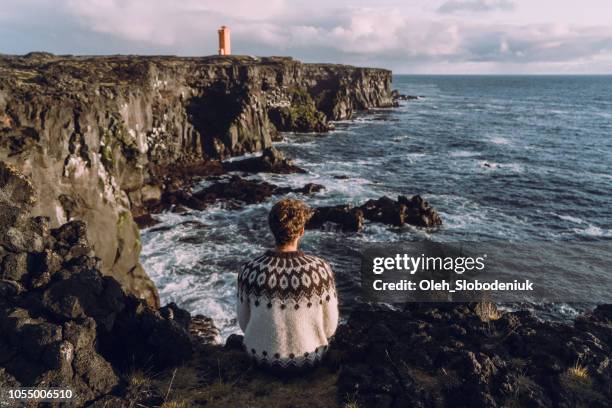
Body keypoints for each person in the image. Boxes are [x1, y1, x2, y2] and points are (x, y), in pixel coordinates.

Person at [237, 198, 338, 371]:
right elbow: (330, 328)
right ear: (302, 231)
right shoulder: (320, 270)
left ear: (272, 229)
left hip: (259, 359)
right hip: (308, 360)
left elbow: (244, 323)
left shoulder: (249, 270)